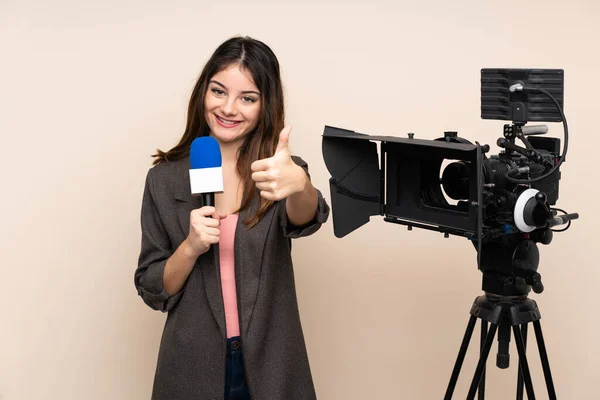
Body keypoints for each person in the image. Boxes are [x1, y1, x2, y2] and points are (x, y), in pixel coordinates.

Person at [134, 36, 330, 400]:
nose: (229, 108)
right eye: (218, 91)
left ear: (264, 105)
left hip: (271, 364)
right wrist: (190, 247)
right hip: (193, 366)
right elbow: (152, 286)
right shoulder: (163, 179)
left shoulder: (278, 170)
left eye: (247, 98)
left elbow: (306, 218)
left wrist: (300, 183)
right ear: (202, 93)